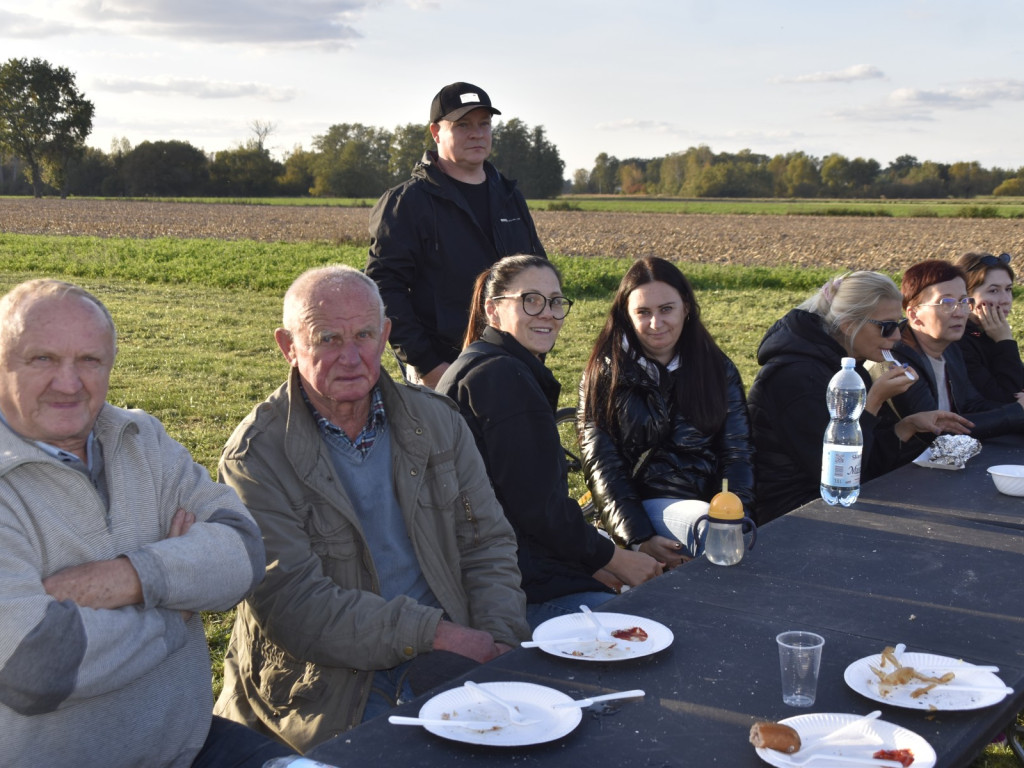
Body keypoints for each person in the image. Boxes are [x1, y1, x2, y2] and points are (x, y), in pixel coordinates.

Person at [214, 265, 530, 752]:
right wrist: (436, 634)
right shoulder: (256, 457)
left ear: (384, 336)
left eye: (364, 334)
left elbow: (487, 544)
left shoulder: (438, 422)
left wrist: (501, 642)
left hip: (450, 646)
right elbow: (296, 606)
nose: (351, 356)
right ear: (288, 346)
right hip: (326, 683)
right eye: (327, 338)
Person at [0, 280, 291, 768]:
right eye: (42, 359)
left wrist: (131, 579)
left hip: (191, 747)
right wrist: (173, 610)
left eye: (89, 361)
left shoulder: (140, 437)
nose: (69, 383)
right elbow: (36, 667)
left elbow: (243, 551)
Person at [438, 255, 662, 629]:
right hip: (513, 593)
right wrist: (615, 558)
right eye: (531, 300)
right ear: (493, 311)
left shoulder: (478, 365)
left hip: (503, 573)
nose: (547, 313)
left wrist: (588, 563)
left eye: (556, 302)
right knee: (649, 623)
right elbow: (539, 509)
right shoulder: (503, 379)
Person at [747, 271, 972, 524]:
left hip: (837, 502)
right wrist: (872, 402)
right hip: (791, 514)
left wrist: (906, 426)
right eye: (886, 327)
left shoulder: (852, 369)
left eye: (898, 326)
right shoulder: (795, 377)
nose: (897, 337)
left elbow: (871, 463)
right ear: (848, 325)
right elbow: (838, 473)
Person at [366, 81, 546, 389]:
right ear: (436, 133)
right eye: (462, 125)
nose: (477, 133)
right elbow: (385, 288)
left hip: (516, 360)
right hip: (443, 366)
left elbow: (537, 273)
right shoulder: (407, 203)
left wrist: (536, 347)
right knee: (447, 439)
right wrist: (429, 365)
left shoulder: (508, 196)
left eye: (484, 124)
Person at [577, 257, 755, 568]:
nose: (656, 324)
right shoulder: (605, 374)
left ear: (686, 307)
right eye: (643, 312)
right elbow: (602, 464)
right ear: (626, 315)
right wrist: (638, 537)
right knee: (707, 530)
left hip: (709, 503)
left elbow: (737, 454)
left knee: (729, 535)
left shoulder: (717, 368)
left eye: (666, 309)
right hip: (641, 504)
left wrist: (734, 518)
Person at [888, 259, 1024, 438]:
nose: (960, 312)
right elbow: (936, 430)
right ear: (914, 315)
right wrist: (1016, 412)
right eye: (946, 303)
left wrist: (1017, 409)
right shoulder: (897, 360)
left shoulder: (951, 349)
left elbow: (972, 404)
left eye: (963, 301)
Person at [954, 251, 1024, 404]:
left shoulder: (988, 331)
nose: (1006, 300)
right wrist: (1005, 341)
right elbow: (1008, 398)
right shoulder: (958, 342)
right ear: (966, 296)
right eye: (993, 290)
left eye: (1009, 289)